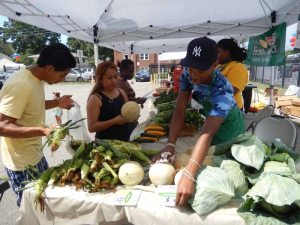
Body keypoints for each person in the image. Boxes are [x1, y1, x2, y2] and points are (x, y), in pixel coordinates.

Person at [153, 37, 245, 207]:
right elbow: (180, 110)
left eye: (200, 70)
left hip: (230, 128)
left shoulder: (222, 89)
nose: (194, 74)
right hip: (211, 121)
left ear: (215, 64)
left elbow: (208, 132)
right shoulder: (188, 73)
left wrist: (188, 175)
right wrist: (170, 144)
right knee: (205, 160)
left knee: (224, 169)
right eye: (191, 68)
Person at [0, 43, 76, 207]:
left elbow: (32, 105)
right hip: (21, 163)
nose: (62, 79)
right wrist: (43, 130)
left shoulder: (36, 79)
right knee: (32, 210)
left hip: (36, 155)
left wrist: (57, 102)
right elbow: (2, 126)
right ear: (49, 68)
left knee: (45, 206)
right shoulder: (20, 84)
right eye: (62, 75)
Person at [87, 61, 131, 141]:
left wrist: (132, 116)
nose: (114, 80)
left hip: (125, 142)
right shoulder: (95, 98)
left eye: (115, 77)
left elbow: (128, 112)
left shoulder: (122, 92)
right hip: (105, 147)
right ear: (100, 80)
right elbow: (91, 127)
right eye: (110, 78)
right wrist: (114, 121)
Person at [217, 38, 248, 110]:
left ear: (227, 52)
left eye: (219, 52)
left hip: (231, 111)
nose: (217, 55)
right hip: (219, 107)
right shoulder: (220, 65)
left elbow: (230, 91)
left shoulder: (238, 67)